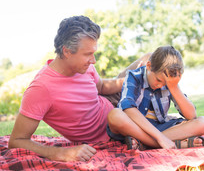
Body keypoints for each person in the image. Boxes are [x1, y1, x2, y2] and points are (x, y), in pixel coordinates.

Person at [8, 15, 150, 162]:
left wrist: (129, 81)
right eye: (88, 54)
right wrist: (60, 153)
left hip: (111, 102)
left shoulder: (84, 67)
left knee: (150, 59)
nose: (93, 60)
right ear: (67, 51)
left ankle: (172, 109)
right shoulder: (41, 89)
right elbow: (17, 140)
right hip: (113, 127)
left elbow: (101, 87)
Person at [107, 46, 204, 150]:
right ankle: (164, 143)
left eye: (165, 83)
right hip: (134, 127)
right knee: (115, 115)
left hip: (159, 128)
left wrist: (173, 87)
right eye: (158, 80)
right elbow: (128, 109)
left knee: (202, 123)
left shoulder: (169, 81)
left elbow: (191, 115)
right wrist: (160, 138)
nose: (160, 85)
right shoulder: (134, 76)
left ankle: (145, 144)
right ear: (148, 66)